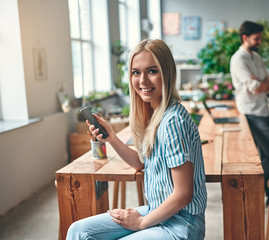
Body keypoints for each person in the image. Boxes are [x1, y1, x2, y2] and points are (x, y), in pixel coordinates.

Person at [66, 39, 207, 240]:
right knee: (79, 232)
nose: (142, 81)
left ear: (167, 73)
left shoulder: (173, 121)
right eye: (136, 72)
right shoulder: (154, 114)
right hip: (157, 212)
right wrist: (111, 138)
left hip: (181, 224)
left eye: (152, 71)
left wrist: (140, 223)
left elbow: (183, 194)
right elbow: (141, 162)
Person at [230, 20, 269, 204]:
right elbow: (257, 87)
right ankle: (250, 186)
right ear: (245, 38)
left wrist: (261, 83)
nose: (260, 41)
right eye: (256, 38)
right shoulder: (238, 59)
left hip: (264, 111)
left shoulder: (257, 58)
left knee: (266, 155)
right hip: (251, 113)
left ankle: (268, 194)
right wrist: (260, 83)